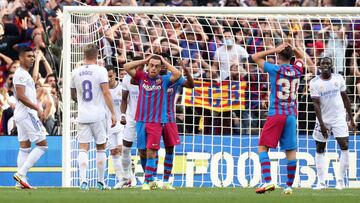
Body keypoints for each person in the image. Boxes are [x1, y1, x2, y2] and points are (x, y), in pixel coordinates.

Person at [251, 43, 305, 195]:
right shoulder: (297, 69)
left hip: (276, 114)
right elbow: (301, 58)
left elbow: (255, 57)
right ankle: (288, 187)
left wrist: (275, 49)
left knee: (262, 147)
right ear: (291, 57)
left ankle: (268, 181)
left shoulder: (275, 69)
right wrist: (293, 48)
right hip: (291, 116)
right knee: (291, 151)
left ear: (279, 57)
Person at [124, 54, 181, 190]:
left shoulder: (165, 79)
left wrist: (164, 63)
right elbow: (126, 67)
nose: (153, 69)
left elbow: (178, 74)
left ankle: (147, 181)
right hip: (140, 120)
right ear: (148, 67)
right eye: (151, 66)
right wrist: (146, 60)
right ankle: (151, 178)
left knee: (151, 152)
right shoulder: (141, 77)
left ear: (160, 68)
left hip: (156, 122)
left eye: (156, 66)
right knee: (142, 152)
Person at [70, 44, 116, 190]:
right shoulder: (101, 70)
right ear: (97, 55)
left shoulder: (76, 72)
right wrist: (113, 113)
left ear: (84, 54)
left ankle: (83, 182)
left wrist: (81, 102)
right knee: (101, 147)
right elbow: (106, 92)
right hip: (98, 115)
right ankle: (101, 182)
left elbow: (72, 94)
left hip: (83, 115)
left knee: (83, 148)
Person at [309, 57, 356, 190]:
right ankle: (321, 182)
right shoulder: (314, 82)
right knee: (320, 148)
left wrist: (351, 119)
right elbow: (316, 105)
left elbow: (345, 98)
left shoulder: (338, 78)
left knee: (344, 145)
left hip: (339, 118)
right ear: (319, 65)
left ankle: (340, 181)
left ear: (331, 66)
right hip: (323, 119)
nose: (325, 65)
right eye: (323, 63)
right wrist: (322, 124)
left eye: (328, 63)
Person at [13, 47, 48, 189]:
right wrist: (37, 108)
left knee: (24, 148)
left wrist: (39, 59)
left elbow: (32, 80)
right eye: (29, 56)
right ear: (21, 58)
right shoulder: (20, 74)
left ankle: (19, 183)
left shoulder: (24, 74)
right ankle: (21, 173)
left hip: (21, 114)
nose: (32, 59)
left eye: (33, 56)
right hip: (27, 113)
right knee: (43, 145)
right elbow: (21, 96)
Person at [158, 54, 194, 190]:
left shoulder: (174, 78)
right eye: (160, 62)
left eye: (164, 62)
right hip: (153, 118)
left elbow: (190, 85)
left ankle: (166, 181)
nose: (161, 65)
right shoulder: (151, 77)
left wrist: (186, 70)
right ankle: (151, 179)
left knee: (169, 149)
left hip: (169, 118)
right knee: (150, 150)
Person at [117, 56, 143, 189]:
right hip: (131, 119)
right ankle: (126, 178)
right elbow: (124, 99)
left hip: (145, 119)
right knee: (126, 149)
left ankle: (149, 179)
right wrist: (122, 115)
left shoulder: (146, 79)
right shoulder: (126, 79)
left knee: (144, 151)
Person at [106, 65, 125, 189]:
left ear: (115, 75)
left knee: (121, 149)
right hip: (108, 125)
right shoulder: (103, 89)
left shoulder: (122, 87)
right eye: (106, 76)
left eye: (110, 76)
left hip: (122, 124)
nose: (108, 79)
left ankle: (128, 177)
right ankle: (122, 179)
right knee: (113, 152)